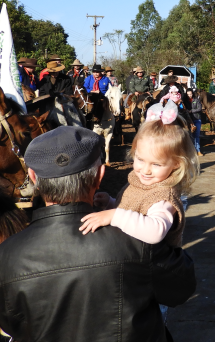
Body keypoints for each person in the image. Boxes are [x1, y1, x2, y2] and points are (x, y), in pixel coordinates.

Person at [0, 126, 196, 342]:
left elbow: (18, 331)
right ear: (100, 174)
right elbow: (181, 289)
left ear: (34, 177)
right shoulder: (139, 243)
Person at [80, 106, 199, 248]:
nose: (146, 170)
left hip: (153, 266)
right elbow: (133, 210)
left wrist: (114, 215)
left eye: (156, 164)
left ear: (176, 164)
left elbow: (155, 231)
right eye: (140, 160)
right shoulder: (139, 182)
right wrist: (110, 203)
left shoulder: (164, 196)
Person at [186, 88, 204, 157]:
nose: (189, 96)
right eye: (188, 94)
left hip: (197, 119)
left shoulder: (196, 100)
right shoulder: (185, 101)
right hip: (189, 120)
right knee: (190, 135)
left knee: (197, 135)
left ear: (192, 94)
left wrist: (191, 111)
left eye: (190, 94)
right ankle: (192, 151)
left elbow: (199, 108)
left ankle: (198, 150)